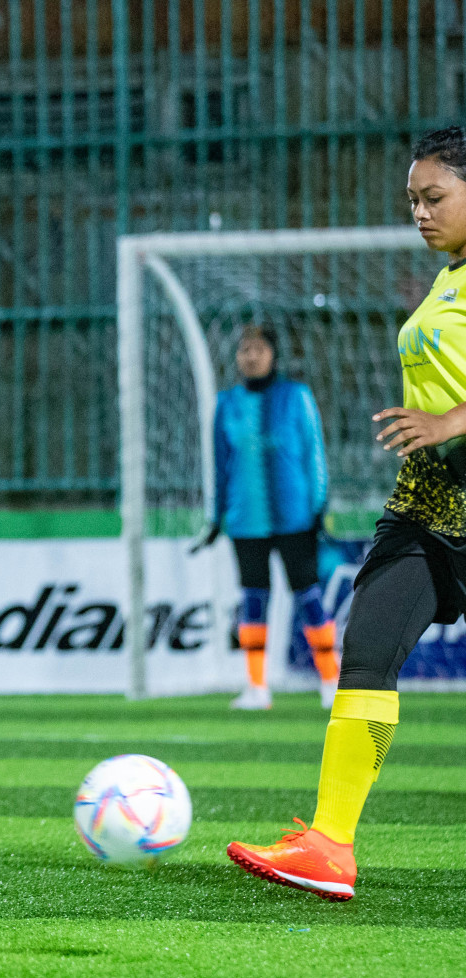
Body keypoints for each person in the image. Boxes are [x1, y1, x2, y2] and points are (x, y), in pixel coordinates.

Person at [225, 126, 466, 901]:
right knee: (366, 651)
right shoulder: (446, 278)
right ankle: (330, 844)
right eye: (412, 201)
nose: (419, 214)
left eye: (434, 198)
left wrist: (444, 423)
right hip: (430, 500)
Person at [198, 324, 338, 710]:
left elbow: (314, 453)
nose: (251, 356)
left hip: (295, 516)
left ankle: (331, 680)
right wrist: (216, 517)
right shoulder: (226, 404)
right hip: (246, 520)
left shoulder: (297, 397)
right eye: (244, 349)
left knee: (308, 595)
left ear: (274, 355)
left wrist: (319, 506)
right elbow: (219, 465)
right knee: (253, 599)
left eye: (258, 349)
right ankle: (257, 687)